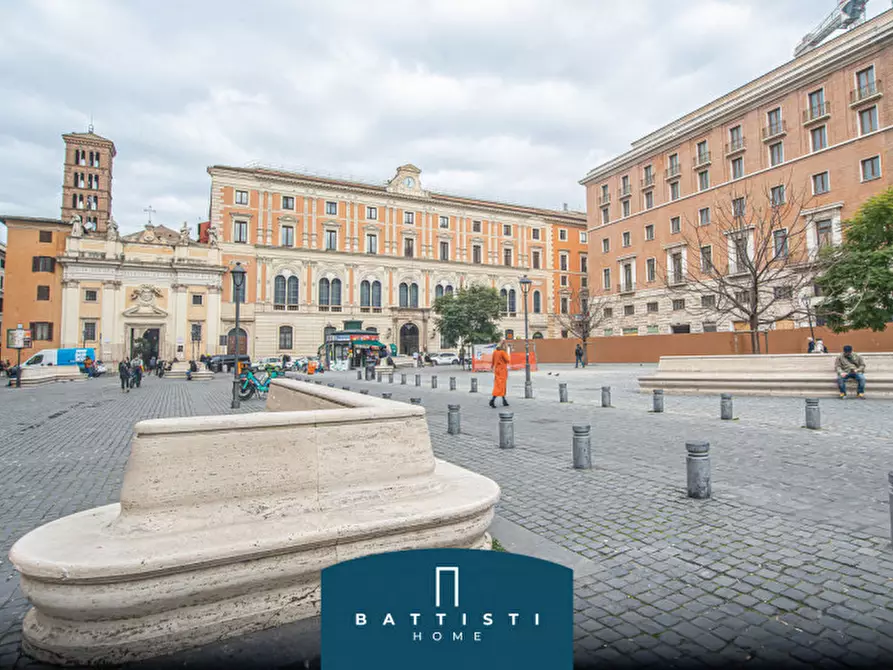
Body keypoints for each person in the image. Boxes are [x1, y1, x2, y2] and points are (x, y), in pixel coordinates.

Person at [489, 342, 511, 408]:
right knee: (500, 386)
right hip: (502, 371)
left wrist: (492, 367)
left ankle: (504, 400)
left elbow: (492, 361)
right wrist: (507, 352)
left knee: (500, 385)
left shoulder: (495, 352)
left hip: (497, 370)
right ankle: (492, 400)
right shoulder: (503, 352)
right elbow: (508, 360)